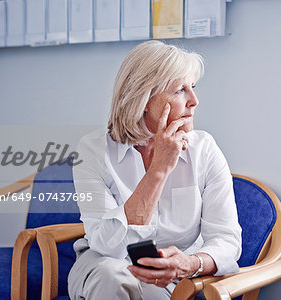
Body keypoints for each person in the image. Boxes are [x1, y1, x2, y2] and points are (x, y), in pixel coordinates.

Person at [68, 40, 242, 300]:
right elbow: (108, 247)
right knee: (112, 276)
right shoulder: (93, 150)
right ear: (144, 100)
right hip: (104, 265)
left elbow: (227, 240)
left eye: (192, 87)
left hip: (174, 279)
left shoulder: (204, 149)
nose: (194, 101)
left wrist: (192, 263)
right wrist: (158, 170)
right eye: (180, 90)